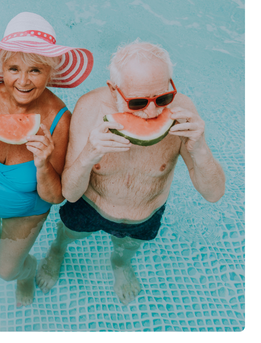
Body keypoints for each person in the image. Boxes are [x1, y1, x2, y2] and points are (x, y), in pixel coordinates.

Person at [36, 39, 226, 305]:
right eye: (137, 102)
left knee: (128, 247)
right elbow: (70, 191)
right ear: (114, 90)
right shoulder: (89, 108)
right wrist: (90, 153)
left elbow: (214, 194)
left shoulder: (183, 114)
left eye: (162, 98)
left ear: (171, 85)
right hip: (90, 206)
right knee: (69, 234)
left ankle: (120, 265)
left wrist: (201, 148)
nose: (151, 112)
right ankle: (57, 251)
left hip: (145, 215)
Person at [0, 12, 94, 307]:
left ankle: (25, 273)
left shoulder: (61, 120)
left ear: (50, 74)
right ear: (2, 68)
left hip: (25, 215)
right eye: (14, 68)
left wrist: (42, 164)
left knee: (6, 271)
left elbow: (55, 197)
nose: (23, 81)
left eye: (35, 71)